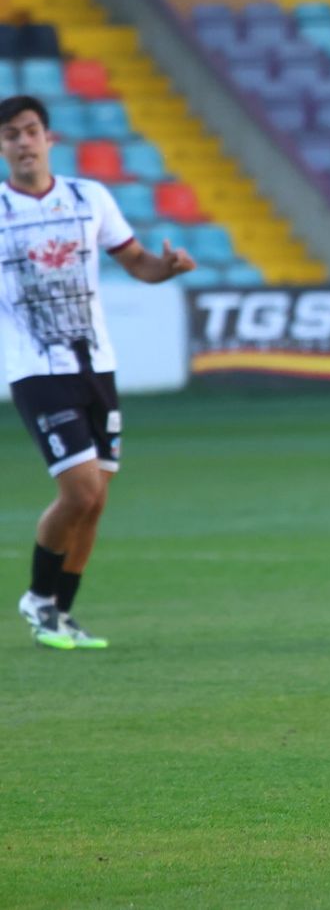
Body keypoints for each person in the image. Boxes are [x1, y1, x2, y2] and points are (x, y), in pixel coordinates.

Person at [2, 94, 196, 649]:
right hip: (36, 367)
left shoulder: (90, 198)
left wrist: (168, 267)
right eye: (11, 134)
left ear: (48, 138)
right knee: (80, 490)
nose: (23, 142)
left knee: (97, 500)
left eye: (31, 131)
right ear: (1, 146)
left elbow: (135, 261)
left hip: (97, 364)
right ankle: (37, 599)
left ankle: (61, 614)